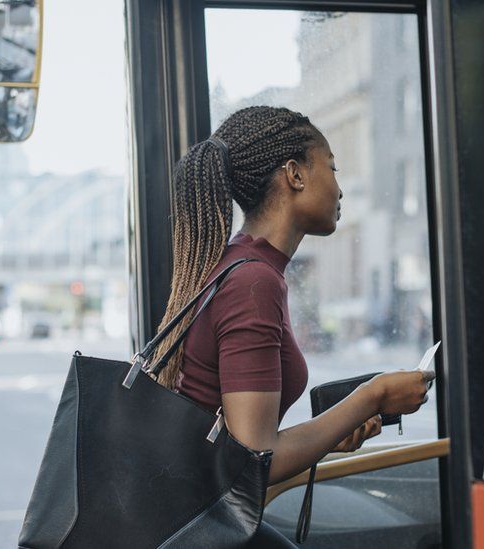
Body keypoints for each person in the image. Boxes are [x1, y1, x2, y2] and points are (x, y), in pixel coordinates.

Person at [147, 106, 433, 546]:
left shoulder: (241, 266)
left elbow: (239, 446)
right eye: (332, 167)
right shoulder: (252, 281)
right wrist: (372, 394)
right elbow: (252, 457)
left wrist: (333, 432)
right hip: (202, 526)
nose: (340, 188)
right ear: (295, 174)